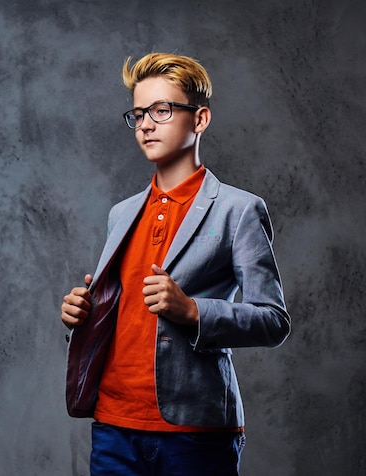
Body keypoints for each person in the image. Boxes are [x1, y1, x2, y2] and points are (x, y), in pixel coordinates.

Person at [61, 52, 290, 476]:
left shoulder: (238, 210)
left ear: (199, 119)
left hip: (194, 429)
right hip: (114, 424)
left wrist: (192, 311)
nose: (146, 123)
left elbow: (273, 320)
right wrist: (84, 315)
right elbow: (122, 313)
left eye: (161, 110)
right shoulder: (121, 213)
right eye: (138, 113)